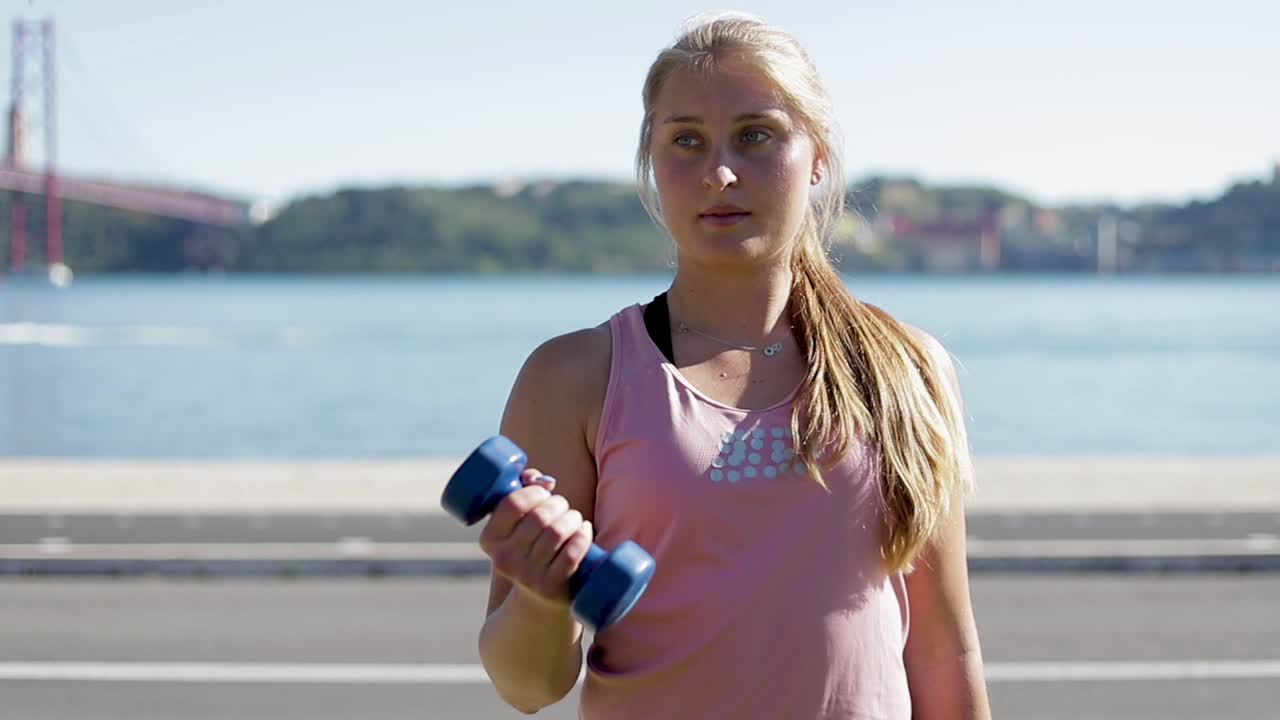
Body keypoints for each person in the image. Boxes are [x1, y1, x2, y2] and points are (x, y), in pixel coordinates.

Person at [475, 12, 991, 719]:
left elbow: (942, 653)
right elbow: (528, 687)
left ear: (817, 155)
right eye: (686, 140)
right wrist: (542, 596)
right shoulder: (575, 378)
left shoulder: (905, 369)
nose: (719, 173)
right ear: (652, 160)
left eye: (756, 135)